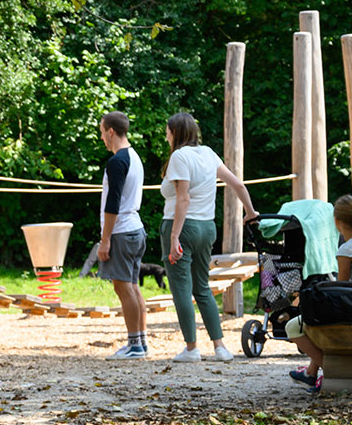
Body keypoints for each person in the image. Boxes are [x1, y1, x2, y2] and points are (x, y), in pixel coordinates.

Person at [160, 111, 259, 362]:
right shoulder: (208, 153)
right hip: (207, 227)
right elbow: (237, 183)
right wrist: (250, 211)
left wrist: (174, 237)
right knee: (202, 287)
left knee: (181, 289)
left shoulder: (179, 157)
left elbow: (183, 198)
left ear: (175, 132)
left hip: (182, 226)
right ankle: (220, 347)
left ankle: (192, 348)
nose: (166, 134)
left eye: (167, 130)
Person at [284, 194, 352, 390]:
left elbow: (341, 287)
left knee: (293, 326)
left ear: (336, 221)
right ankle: (310, 373)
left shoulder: (346, 250)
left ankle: (331, 370)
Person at [96, 112, 150, 360]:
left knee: (123, 287)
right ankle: (141, 341)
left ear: (110, 131)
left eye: (102, 132)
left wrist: (105, 239)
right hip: (135, 229)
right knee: (133, 286)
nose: (102, 138)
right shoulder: (135, 157)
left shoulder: (117, 161)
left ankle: (134, 345)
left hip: (122, 230)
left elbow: (113, 203)